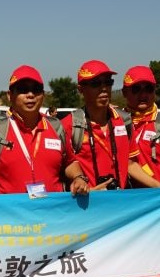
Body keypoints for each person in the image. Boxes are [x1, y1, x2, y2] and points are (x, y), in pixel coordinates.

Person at [0, 65, 90, 196]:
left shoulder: (56, 128)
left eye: (36, 90)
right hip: (11, 209)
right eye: (23, 89)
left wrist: (78, 177)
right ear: (10, 95)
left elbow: (70, 162)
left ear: (43, 95)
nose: (30, 95)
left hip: (52, 208)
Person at [60, 60, 152, 190]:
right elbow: (64, 168)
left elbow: (130, 164)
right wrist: (85, 187)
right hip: (88, 201)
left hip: (120, 200)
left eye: (108, 82)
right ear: (81, 89)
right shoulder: (68, 125)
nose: (104, 88)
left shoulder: (124, 120)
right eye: (96, 83)